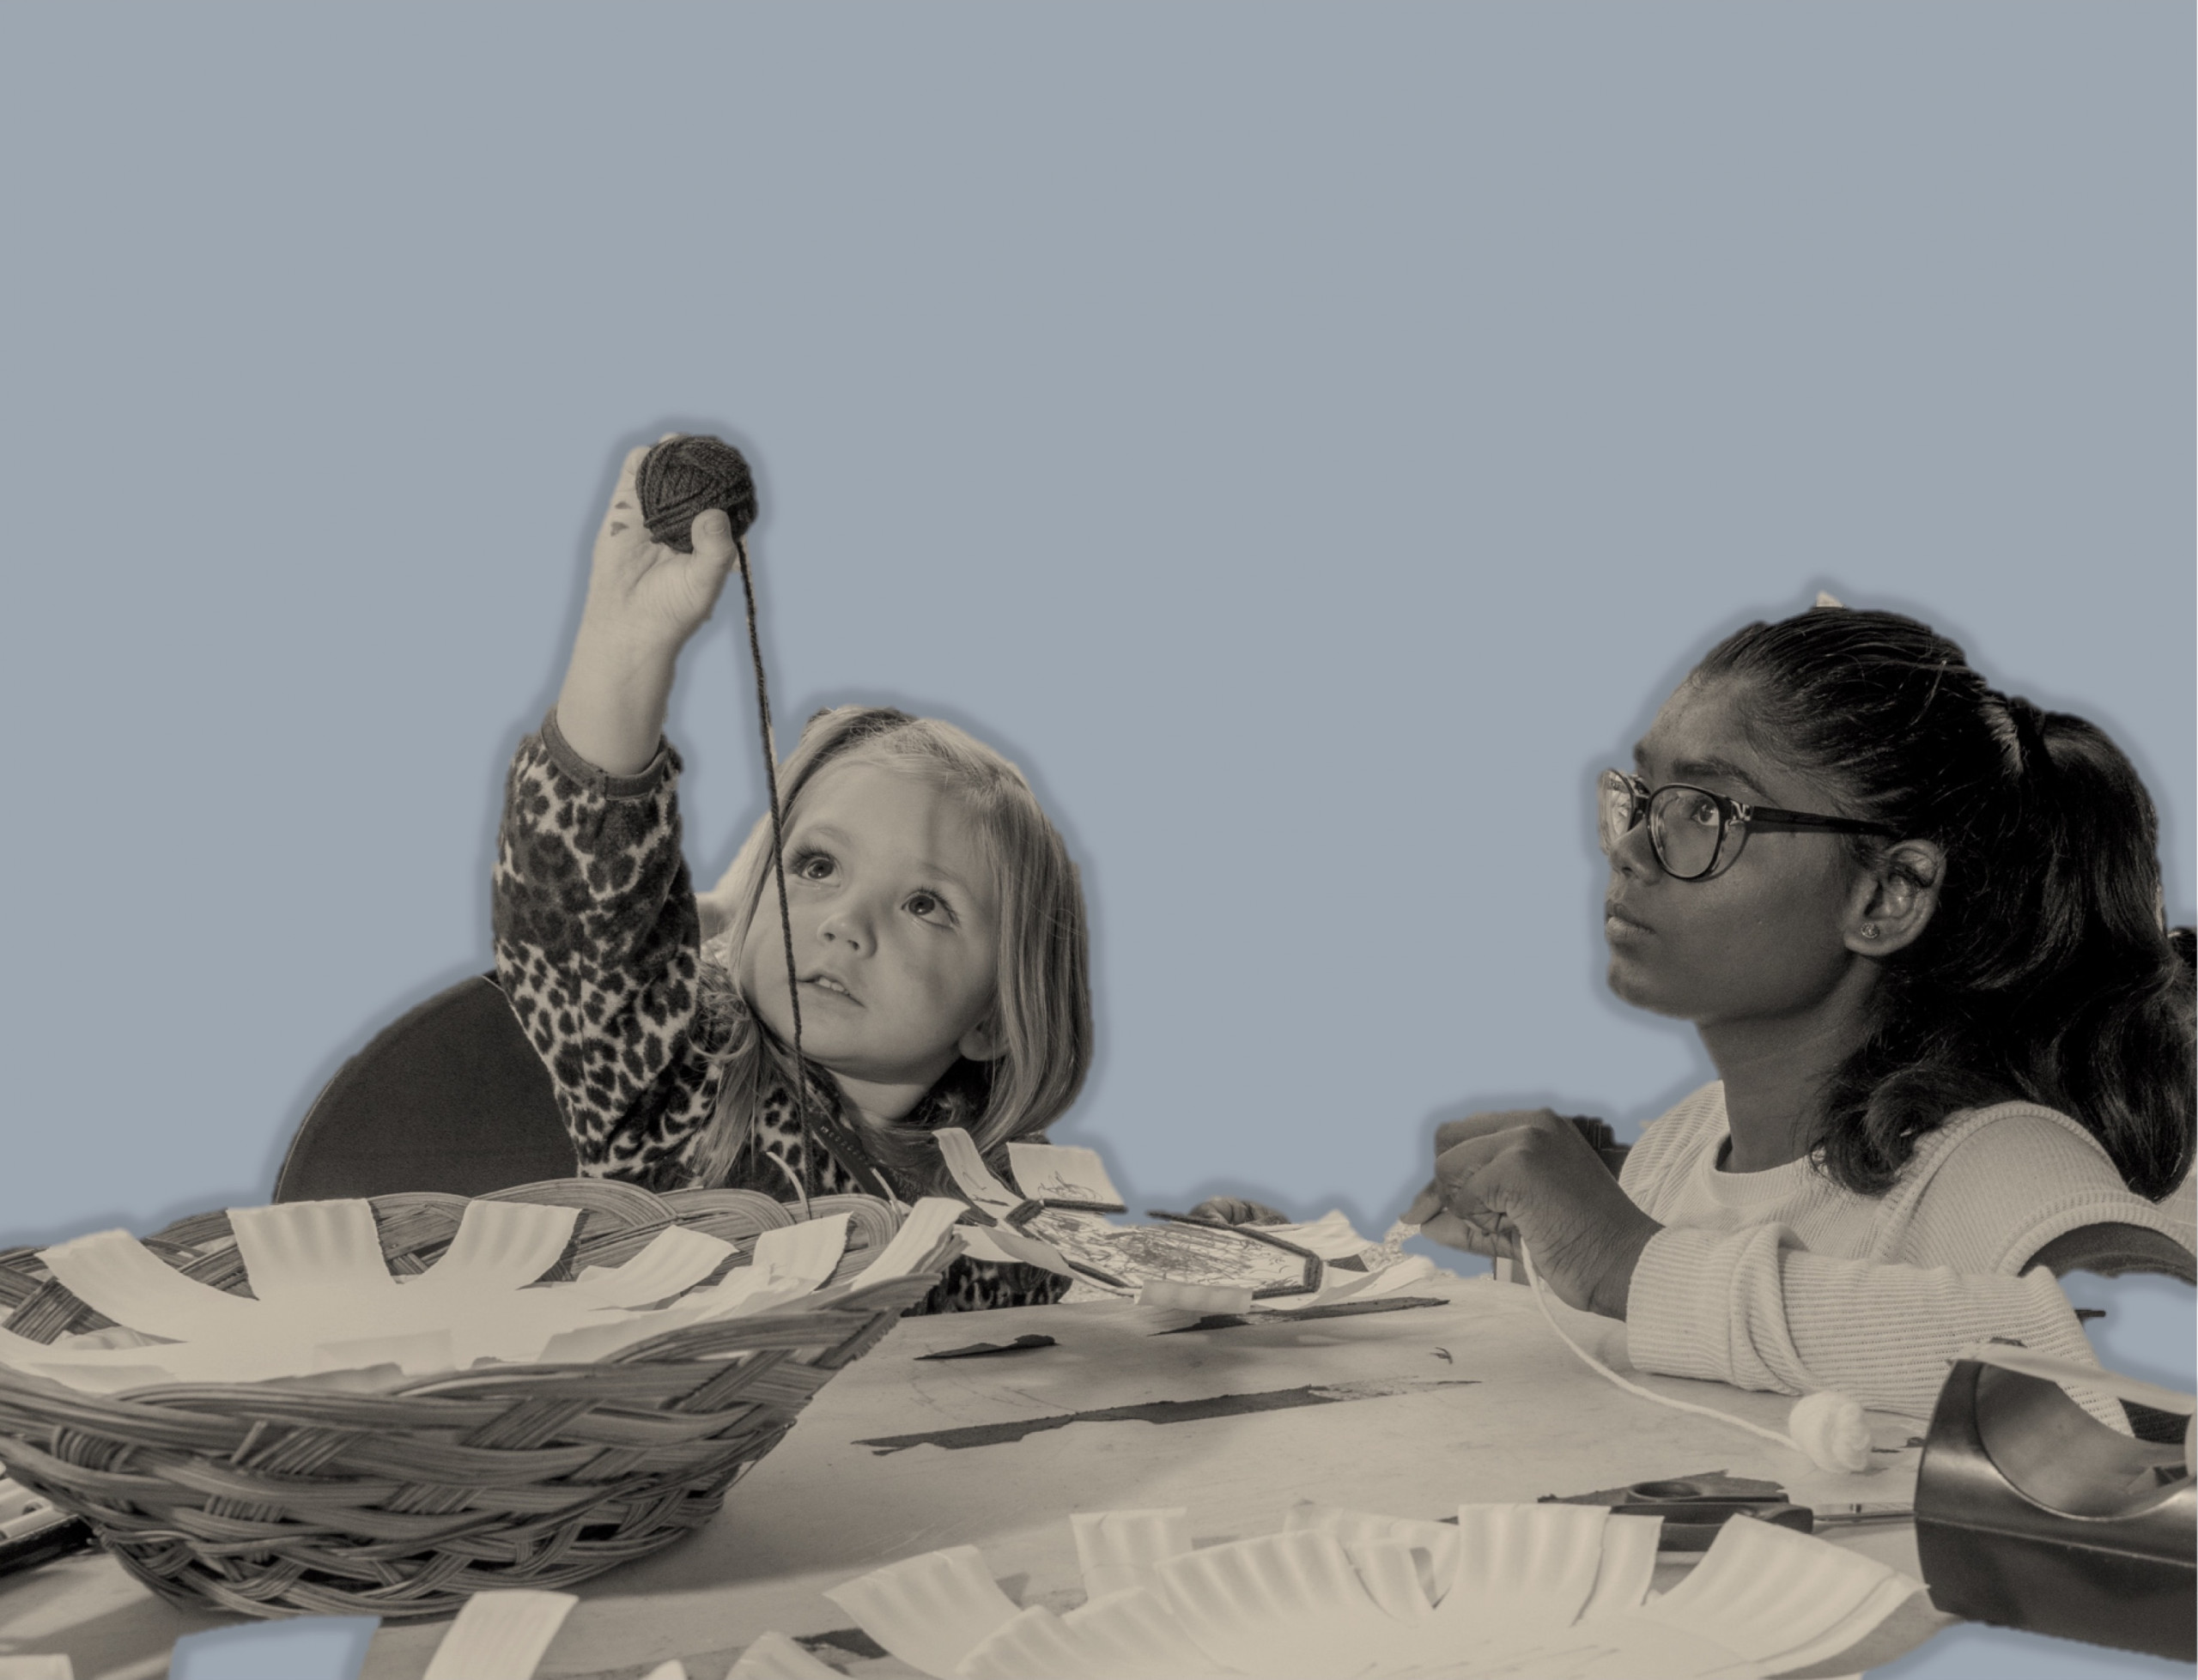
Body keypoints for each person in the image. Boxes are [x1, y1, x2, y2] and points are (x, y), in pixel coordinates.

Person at [1406, 602, 2195, 1420]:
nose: (1633, 849)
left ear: (1887, 895)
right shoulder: (1685, 1143)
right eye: (1643, 797)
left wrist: (1635, 1266)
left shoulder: (1992, 1159)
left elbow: (2162, 1363)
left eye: (1706, 812)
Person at [493, 441, 1091, 1312]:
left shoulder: (1012, 1200)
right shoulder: (678, 1072)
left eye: (925, 902)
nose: (845, 921)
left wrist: (1206, 1269)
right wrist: (625, 643)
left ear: (996, 1019)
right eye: (816, 865)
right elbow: (580, 917)